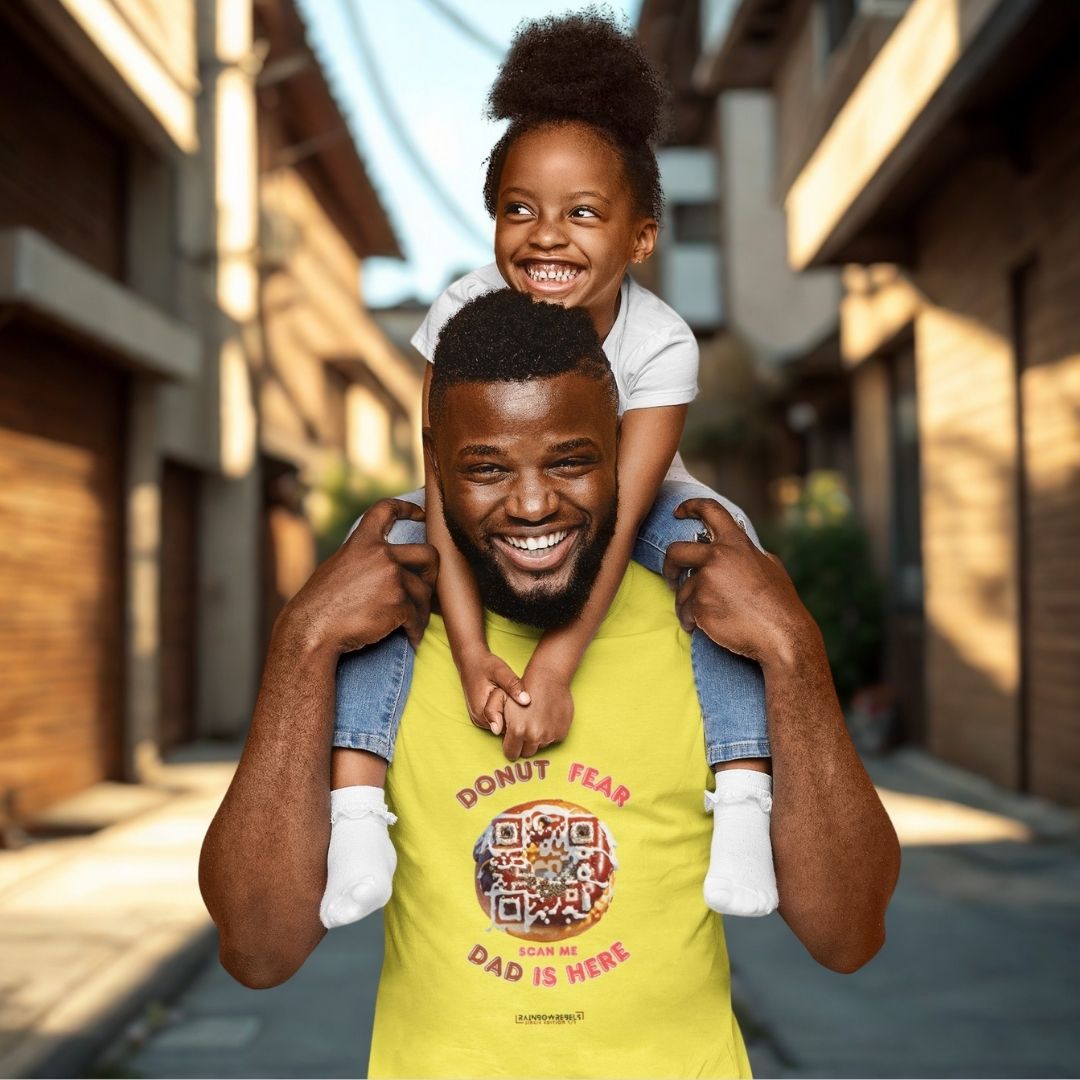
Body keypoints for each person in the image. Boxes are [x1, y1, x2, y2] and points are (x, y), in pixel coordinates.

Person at [199, 291, 901, 1079]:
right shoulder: (383, 639)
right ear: (436, 469)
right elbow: (258, 951)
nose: (533, 504)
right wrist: (302, 642)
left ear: (622, 453)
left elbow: (848, 937)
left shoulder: (709, 621)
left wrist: (794, 648)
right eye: (486, 469)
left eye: (571, 460)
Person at [323, 9, 778, 933]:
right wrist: (476, 657)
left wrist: (557, 668)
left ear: (641, 236)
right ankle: (356, 811)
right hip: (490, 496)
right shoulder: (460, 311)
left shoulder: (661, 344)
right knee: (379, 545)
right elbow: (448, 498)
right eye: (519, 209)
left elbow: (621, 519)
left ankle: (742, 800)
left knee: (724, 542)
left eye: (583, 213)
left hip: (623, 495)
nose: (546, 236)